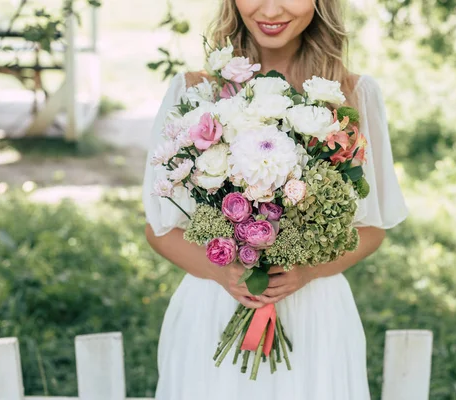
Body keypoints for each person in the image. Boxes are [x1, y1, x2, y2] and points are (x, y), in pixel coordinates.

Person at [142, 0, 409, 398]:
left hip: (314, 313)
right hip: (214, 305)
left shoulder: (355, 95)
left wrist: (307, 272)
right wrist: (223, 274)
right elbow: (158, 229)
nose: (270, 9)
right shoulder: (196, 92)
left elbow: (373, 229)